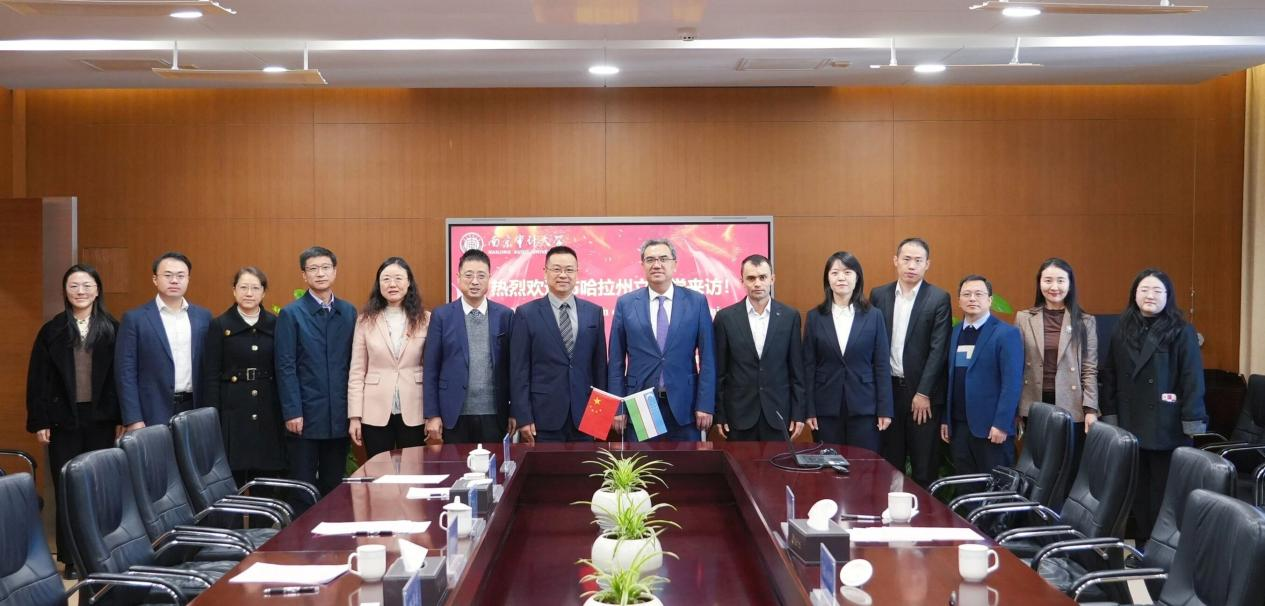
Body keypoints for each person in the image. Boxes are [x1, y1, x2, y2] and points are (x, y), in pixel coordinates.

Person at [25, 264, 121, 579]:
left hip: (102, 419)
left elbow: (122, 377)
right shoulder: (52, 330)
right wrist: (40, 420)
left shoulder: (112, 328)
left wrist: (122, 417)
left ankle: (100, 553)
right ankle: (70, 557)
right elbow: (38, 379)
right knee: (67, 485)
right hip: (63, 420)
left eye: (87, 285)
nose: (81, 291)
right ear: (66, 291)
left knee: (99, 484)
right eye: (74, 286)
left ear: (97, 289)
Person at [1100, 268, 1206, 542]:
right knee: (1137, 492)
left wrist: (1193, 420)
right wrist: (1110, 414)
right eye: (1144, 289)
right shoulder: (1121, 328)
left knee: (1164, 494)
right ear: (1134, 294)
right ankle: (1142, 547)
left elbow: (1192, 377)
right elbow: (1110, 373)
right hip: (1130, 421)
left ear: (1168, 296)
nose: (1150, 295)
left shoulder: (1181, 330)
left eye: (1158, 290)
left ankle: (1163, 549)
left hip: (1166, 425)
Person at [608, 239, 716, 441]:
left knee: (687, 461)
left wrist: (705, 404)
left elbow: (708, 358)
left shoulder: (696, 302)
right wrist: (618, 406)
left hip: (686, 405)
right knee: (643, 461)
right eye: (650, 260)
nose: (657, 264)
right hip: (640, 404)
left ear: (674, 264)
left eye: (663, 259)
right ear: (642, 265)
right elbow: (615, 361)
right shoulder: (626, 303)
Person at [275, 246, 356, 496]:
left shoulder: (348, 312)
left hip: (339, 414)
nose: (320, 274)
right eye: (313, 269)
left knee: (334, 485)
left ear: (335, 271)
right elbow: (285, 366)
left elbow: (354, 364)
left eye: (325, 268)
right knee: (303, 487)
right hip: (305, 415)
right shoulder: (291, 314)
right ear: (304, 275)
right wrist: (292, 411)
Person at [871, 237, 952, 486]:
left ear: (927, 264)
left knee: (923, 467)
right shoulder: (879, 295)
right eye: (906, 259)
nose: (912, 265)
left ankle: (925, 511)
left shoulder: (938, 298)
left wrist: (923, 392)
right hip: (889, 392)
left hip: (922, 396)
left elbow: (939, 350)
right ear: (895, 261)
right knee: (889, 465)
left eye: (918, 260)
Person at [509, 245, 608, 442]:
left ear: (577, 273)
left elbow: (600, 369)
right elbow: (519, 370)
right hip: (543, 416)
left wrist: (600, 416)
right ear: (545, 272)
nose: (563, 275)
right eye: (556, 269)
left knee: (585, 463)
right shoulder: (526, 313)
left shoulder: (593, 312)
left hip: (586, 415)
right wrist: (523, 417)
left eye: (569, 270)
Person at [200, 267, 287, 485]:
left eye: (255, 288)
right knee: (232, 479)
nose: (249, 293)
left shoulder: (276, 324)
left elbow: (284, 369)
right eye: (243, 287)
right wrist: (212, 415)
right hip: (233, 411)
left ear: (264, 292)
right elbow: (211, 374)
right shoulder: (220, 325)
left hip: (268, 410)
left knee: (266, 480)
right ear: (234, 290)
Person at [803, 251, 893, 451]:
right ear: (827, 279)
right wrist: (809, 409)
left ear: (857, 278)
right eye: (835, 273)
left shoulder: (874, 316)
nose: (841, 278)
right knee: (828, 464)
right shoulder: (815, 317)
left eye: (847, 272)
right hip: (825, 406)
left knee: (863, 464)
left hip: (865, 406)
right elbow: (808, 365)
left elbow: (881, 364)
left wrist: (885, 409)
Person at [1014, 258, 1098, 469]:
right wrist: (1015, 409)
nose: (1054, 287)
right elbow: (1015, 366)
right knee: (1037, 465)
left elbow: (1089, 368)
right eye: (1048, 280)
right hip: (1034, 401)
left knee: (1067, 466)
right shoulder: (1024, 318)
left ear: (1070, 284)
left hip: (1071, 402)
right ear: (1039, 283)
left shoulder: (1085, 321)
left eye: (1060, 280)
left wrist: (1091, 409)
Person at [423, 249, 514, 443]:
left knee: (493, 462)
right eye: (468, 275)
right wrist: (432, 414)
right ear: (458, 277)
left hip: (495, 413)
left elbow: (513, 368)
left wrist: (515, 411)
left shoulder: (505, 315)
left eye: (481, 276)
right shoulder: (442, 316)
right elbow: (431, 368)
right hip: (453, 413)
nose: (474, 281)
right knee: (455, 462)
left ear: (489, 278)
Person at [713, 254, 806, 441]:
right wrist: (720, 414)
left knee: (777, 461)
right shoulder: (725, 318)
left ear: (772, 279)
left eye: (763, 277)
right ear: (742, 281)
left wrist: (798, 412)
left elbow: (797, 370)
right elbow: (720, 372)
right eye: (751, 278)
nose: (757, 283)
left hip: (779, 413)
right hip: (738, 414)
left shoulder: (790, 317)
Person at [116, 251, 212, 429]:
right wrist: (133, 418)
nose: (174, 280)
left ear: (188, 279)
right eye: (168, 275)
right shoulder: (135, 319)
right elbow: (125, 373)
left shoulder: (203, 317)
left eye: (180, 276)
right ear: (155, 279)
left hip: (194, 407)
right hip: (152, 410)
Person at [940, 275, 1024, 475]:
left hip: (991, 429)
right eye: (967, 294)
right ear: (959, 300)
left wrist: (1002, 424)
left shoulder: (1006, 334)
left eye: (979, 294)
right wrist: (946, 419)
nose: (972, 298)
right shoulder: (954, 332)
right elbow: (949, 379)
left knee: (996, 487)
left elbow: (1012, 383)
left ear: (990, 300)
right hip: (959, 428)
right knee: (965, 485)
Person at [348, 257, 430, 459]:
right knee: (378, 468)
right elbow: (357, 371)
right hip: (374, 409)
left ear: (409, 282)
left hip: (415, 406)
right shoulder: (365, 321)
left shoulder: (426, 319)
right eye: (386, 279)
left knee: (413, 468)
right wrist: (355, 417)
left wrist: (433, 413)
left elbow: (432, 369)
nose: (392, 284)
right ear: (379, 284)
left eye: (398, 278)